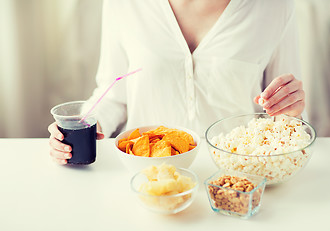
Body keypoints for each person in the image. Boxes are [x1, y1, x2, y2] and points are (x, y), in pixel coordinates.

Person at [48, 0, 306, 164]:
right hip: (146, 177)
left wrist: (291, 112)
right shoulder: (123, 5)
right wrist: (76, 129)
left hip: (236, 174)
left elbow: (286, 116)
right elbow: (112, 95)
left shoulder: (276, 7)